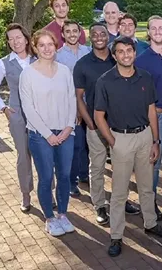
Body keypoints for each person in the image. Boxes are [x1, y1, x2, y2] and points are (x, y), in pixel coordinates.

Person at [93, 36, 162, 257]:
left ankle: (151, 223)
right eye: (121, 51)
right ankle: (116, 235)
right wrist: (112, 142)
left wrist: (156, 141)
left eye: (129, 50)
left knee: (147, 186)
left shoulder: (144, 77)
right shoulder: (105, 81)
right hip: (121, 140)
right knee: (119, 192)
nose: (126, 55)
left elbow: (151, 111)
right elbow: (99, 116)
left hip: (145, 136)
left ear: (134, 53)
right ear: (114, 55)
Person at [73, 24, 141, 225]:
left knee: (123, 167)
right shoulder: (83, 64)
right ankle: (100, 205)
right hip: (96, 125)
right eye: (95, 34)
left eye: (103, 33)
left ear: (108, 36)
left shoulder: (118, 59)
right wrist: (90, 123)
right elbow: (79, 98)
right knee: (97, 166)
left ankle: (122, 199)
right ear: (90, 38)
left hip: (120, 125)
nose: (99, 37)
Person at [20, 29, 77, 237]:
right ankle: (50, 218)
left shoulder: (64, 71)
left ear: (56, 46)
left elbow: (72, 100)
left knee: (64, 175)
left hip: (65, 132)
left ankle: (62, 214)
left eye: (50, 44)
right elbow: (28, 108)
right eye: (41, 45)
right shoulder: (28, 74)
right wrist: (48, 135)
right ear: (34, 47)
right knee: (46, 177)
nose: (46, 48)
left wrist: (69, 127)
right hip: (40, 135)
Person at [0, 24, 36, 212]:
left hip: (39, 115)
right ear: (8, 42)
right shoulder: (4, 63)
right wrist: (3, 107)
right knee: (23, 155)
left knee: (43, 155)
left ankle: (48, 192)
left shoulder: (38, 59)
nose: (15, 41)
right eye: (11, 39)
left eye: (18, 37)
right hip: (17, 115)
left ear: (25, 38)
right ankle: (25, 193)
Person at [134, 16, 162, 221]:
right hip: (156, 116)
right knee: (154, 159)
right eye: (154, 28)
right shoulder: (141, 60)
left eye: (161, 28)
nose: (158, 31)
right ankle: (149, 202)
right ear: (149, 32)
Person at [55, 20, 91, 197]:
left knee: (89, 144)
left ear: (80, 32)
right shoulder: (58, 56)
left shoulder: (89, 52)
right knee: (76, 146)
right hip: (70, 107)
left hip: (91, 105)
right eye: (67, 31)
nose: (71, 34)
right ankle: (72, 181)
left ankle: (86, 175)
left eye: (75, 31)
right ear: (63, 34)